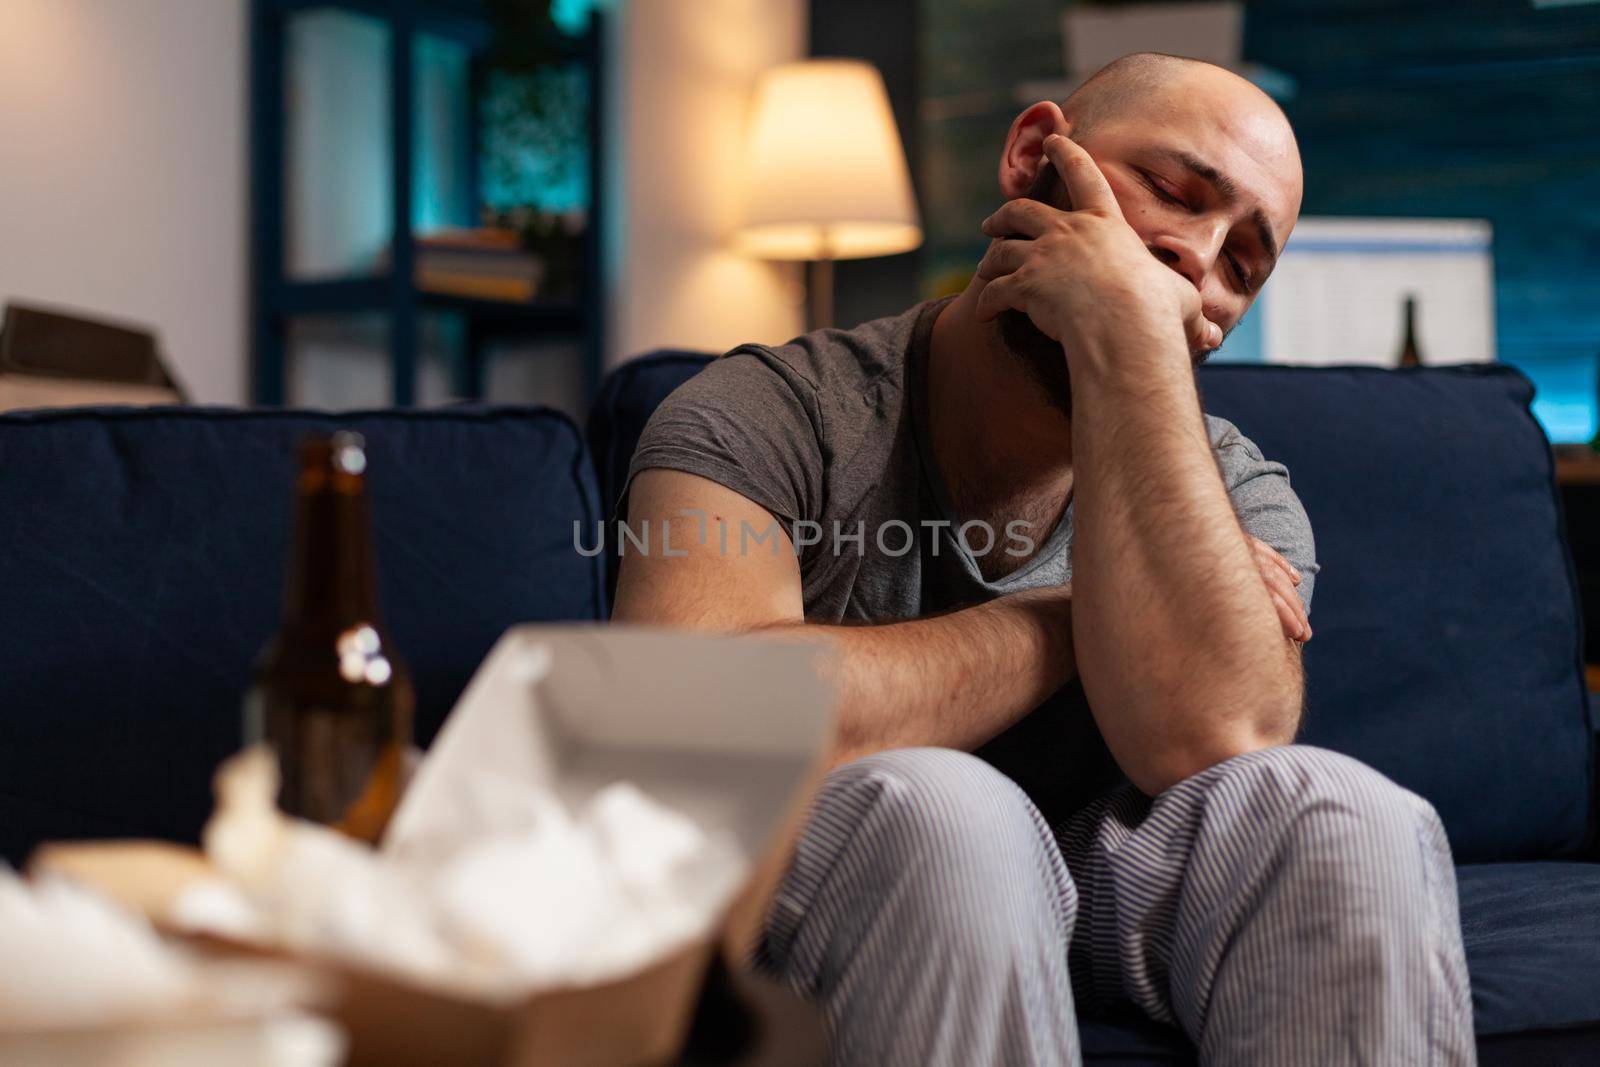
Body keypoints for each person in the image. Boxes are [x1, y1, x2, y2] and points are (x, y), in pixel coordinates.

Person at [612, 52, 1474, 1066]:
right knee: (948, 811)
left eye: (1243, 264)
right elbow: (687, 729)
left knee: (1348, 813)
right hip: (844, 876)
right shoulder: (769, 412)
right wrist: (1077, 614)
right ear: (1033, 157)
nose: (1197, 258)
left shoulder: (1239, 490)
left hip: (1113, 883)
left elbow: (1216, 734)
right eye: (1174, 191)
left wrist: (1130, 347)